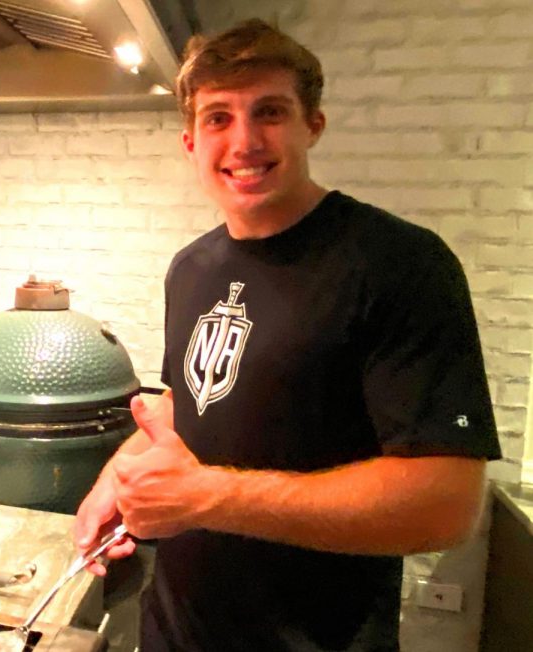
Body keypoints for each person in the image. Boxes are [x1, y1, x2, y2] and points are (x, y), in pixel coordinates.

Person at [73, 17, 501, 652]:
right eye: (218, 117)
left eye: (269, 111)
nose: (244, 140)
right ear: (190, 141)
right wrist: (115, 479)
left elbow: (447, 504)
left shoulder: (399, 263)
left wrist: (207, 498)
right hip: (172, 630)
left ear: (313, 126)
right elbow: (185, 405)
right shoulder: (191, 268)